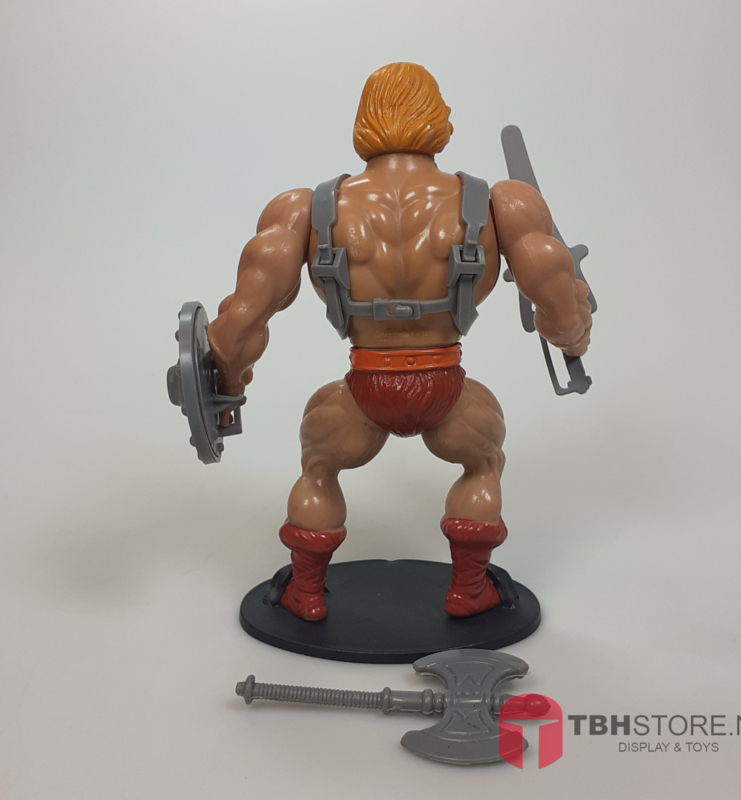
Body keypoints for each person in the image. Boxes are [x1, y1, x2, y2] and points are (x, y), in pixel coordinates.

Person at [206, 63, 591, 622]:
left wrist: (227, 389)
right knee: (483, 461)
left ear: (364, 122)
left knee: (318, 468)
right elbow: (560, 307)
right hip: (447, 387)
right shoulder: (502, 203)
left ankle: (305, 591)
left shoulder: (303, 209)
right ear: (437, 118)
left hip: (362, 388)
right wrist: (575, 339)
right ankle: (470, 589)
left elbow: (239, 325)